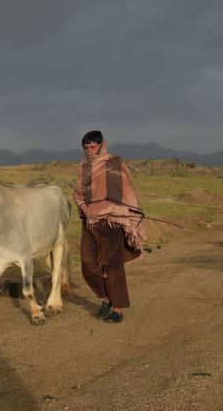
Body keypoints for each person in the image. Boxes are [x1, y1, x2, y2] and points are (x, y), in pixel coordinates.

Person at [72, 130, 146, 323]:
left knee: (113, 265)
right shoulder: (83, 167)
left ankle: (117, 308)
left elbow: (125, 191)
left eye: (92, 146)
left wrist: (120, 211)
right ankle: (105, 298)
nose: (89, 151)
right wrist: (84, 207)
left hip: (112, 220)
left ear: (101, 145)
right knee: (87, 262)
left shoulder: (115, 164)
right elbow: (78, 193)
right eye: (86, 147)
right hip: (89, 220)